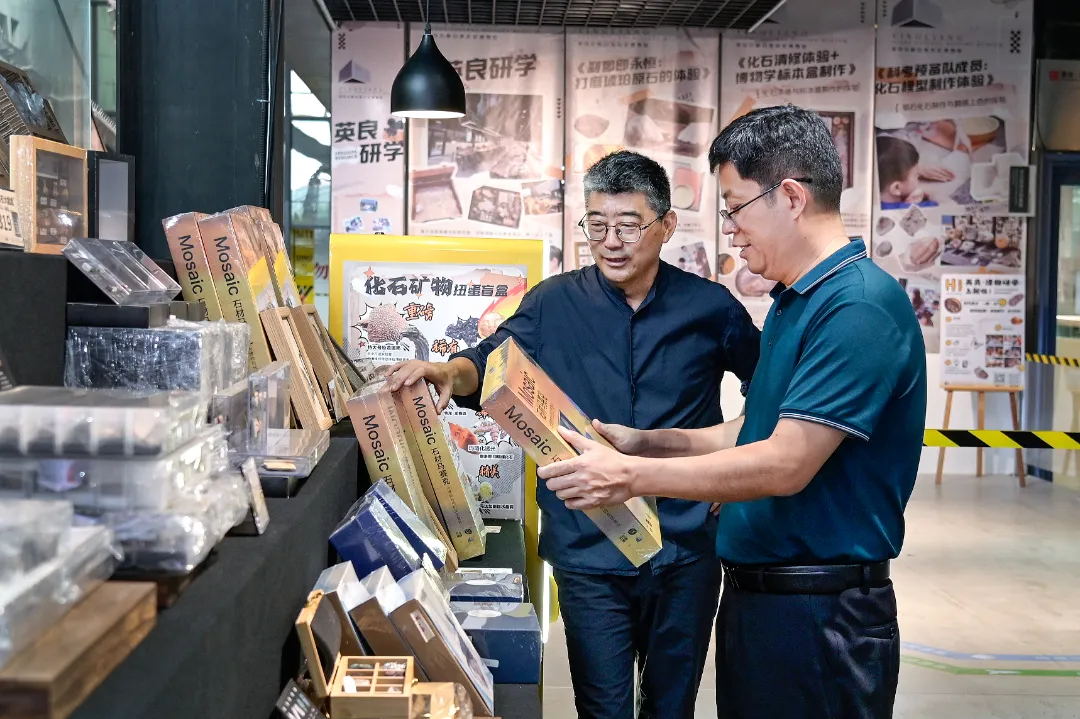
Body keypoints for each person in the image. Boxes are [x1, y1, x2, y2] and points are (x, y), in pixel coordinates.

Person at [539, 106, 927, 719]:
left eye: (735, 207)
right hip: (765, 599)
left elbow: (786, 462)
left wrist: (630, 477)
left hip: (819, 611)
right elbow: (755, 428)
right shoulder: (797, 302)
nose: (732, 229)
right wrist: (650, 443)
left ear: (790, 197)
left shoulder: (856, 308)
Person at [385, 149, 760, 719]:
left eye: (628, 226)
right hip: (587, 543)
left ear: (666, 226)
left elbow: (770, 389)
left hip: (686, 545)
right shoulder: (552, 301)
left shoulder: (710, 308)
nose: (611, 242)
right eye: (597, 225)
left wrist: (731, 473)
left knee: (671, 705)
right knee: (602, 706)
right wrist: (445, 372)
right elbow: (485, 361)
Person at [876, 134, 955, 208]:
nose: (919, 177)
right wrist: (932, 196)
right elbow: (952, 207)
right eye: (916, 176)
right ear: (897, 188)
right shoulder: (917, 208)